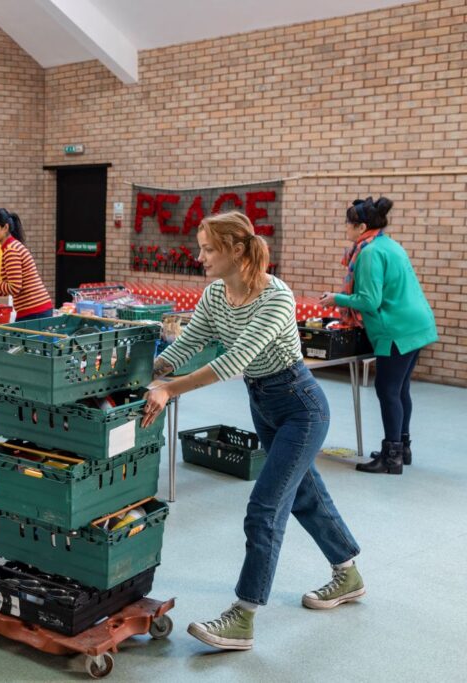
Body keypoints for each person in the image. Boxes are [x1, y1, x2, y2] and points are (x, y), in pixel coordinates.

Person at [143, 211, 362, 652]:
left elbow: (231, 362)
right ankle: (348, 571)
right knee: (303, 494)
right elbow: (191, 343)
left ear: (237, 249)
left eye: (208, 249)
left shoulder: (276, 296)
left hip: (301, 406)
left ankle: (243, 616)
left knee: (265, 507)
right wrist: (151, 368)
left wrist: (169, 389)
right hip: (263, 404)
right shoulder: (215, 296)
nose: (200, 256)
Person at [319, 196, 437, 475]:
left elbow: (370, 301)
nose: (345, 229)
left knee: (387, 390)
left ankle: (391, 457)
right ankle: (401, 449)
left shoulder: (369, 253)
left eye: (348, 224)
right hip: (416, 324)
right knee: (400, 389)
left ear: (360, 227)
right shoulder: (389, 244)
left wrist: (336, 298)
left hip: (396, 329)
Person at [0, 208, 53, 321]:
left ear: (5, 228)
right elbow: (5, 289)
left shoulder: (11, 250)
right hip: (35, 309)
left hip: (34, 311)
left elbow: (14, 288)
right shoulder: (10, 247)